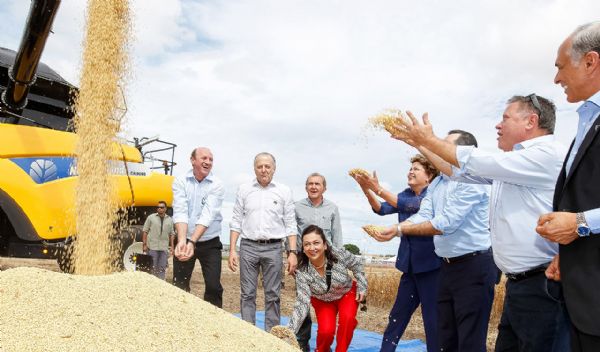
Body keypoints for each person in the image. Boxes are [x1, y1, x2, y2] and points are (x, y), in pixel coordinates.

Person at [390, 96, 570, 351]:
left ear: (531, 121)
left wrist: (426, 140)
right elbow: (457, 171)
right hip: (520, 283)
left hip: (541, 283)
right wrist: (417, 141)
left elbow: (472, 163)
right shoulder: (513, 164)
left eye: (505, 118)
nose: (498, 125)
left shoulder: (544, 154)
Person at [373, 130, 495, 352]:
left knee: (469, 340)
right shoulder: (439, 182)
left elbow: (445, 223)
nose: (437, 147)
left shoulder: (474, 180)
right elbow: (424, 214)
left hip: (473, 266)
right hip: (446, 267)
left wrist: (400, 229)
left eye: (444, 145)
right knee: (445, 336)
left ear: (463, 152)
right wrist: (398, 229)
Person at [536, 21, 600, 351]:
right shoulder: (588, 118)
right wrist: (568, 248)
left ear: (590, 61)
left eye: (561, 67)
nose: (556, 78)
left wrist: (579, 223)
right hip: (583, 299)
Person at [351, 155, 441, 352]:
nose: (411, 171)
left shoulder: (432, 196)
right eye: (410, 168)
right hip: (409, 268)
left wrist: (377, 188)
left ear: (429, 176)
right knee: (396, 317)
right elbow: (381, 209)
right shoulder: (405, 194)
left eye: (416, 169)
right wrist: (365, 188)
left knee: (432, 321)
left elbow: (409, 206)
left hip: (432, 269)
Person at [228, 152, 298, 332]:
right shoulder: (244, 189)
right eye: (260, 166)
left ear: (274, 169)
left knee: (273, 294)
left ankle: (271, 334)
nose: (264, 170)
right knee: (247, 293)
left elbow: (290, 224)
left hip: (274, 248)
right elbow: (236, 220)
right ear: (254, 169)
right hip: (248, 246)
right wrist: (232, 250)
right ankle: (248, 332)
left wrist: (292, 253)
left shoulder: (284, 191)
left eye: (267, 166)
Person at [282, 225, 367, 352]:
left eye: (316, 243)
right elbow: (302, 304)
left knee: (347, 319)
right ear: (303, 249)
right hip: (322, 300)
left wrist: (362, 285)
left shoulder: (339, 254)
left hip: (346, 293)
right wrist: (289, 331)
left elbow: (357, 265)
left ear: (325, 245)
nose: (312, 248)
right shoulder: (302, 271)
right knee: (326, 332)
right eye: (307, 244)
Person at [293, 172, 343, 351]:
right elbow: (291, 233)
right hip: (302, 260)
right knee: (303, 301)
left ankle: (324, 343)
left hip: (326, 261)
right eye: (310, 184)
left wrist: (339, 262)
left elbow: (337, 236)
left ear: (324, 188)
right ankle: (302, 341)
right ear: (306, 187)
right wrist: (291, 255)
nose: (313, 187)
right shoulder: (296, 207)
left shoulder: (332, 208)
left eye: (317, 184)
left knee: (325, 302)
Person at [172, 147, 225, 308]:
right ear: (192, 160)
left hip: (210, 242)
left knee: (213, 286)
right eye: (204, 158)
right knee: (179, 285)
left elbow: (207, 215)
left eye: (210, 159)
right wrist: (182, 241)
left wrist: (192, 242)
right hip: (184, 238)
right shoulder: (181, 181)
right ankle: (179, 318)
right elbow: (180, 211)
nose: (208, 162)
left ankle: (213, 322)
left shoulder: (217, 184)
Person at [141, 200, 175, 279]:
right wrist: (144, 245)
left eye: (162, 207)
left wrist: (172, 247)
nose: (159, 209)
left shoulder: (170, 220)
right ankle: (152, 285)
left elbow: (172, 234)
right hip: (153, 247)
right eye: (158, 207)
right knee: (152, 267)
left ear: (165, 209)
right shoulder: (151, 218)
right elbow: (145, 231)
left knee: (162, 268)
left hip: (164, 248)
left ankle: (161, 284)